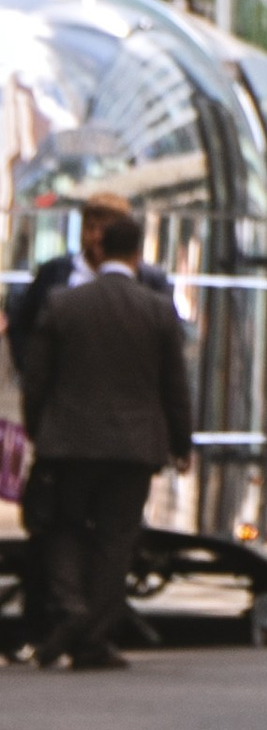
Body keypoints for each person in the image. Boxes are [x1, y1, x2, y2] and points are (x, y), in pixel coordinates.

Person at [22, 206, 193, 668]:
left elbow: (36, 378)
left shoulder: (63, 304)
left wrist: (38, 428)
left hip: (69, 442)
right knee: (116, 539)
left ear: (100, 248)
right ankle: (93, 638)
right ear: (139, 253)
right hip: (134, 448)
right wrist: (181, 443)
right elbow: (174, 385)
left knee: (62, 526)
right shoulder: (157, 310)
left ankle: (71, 606)